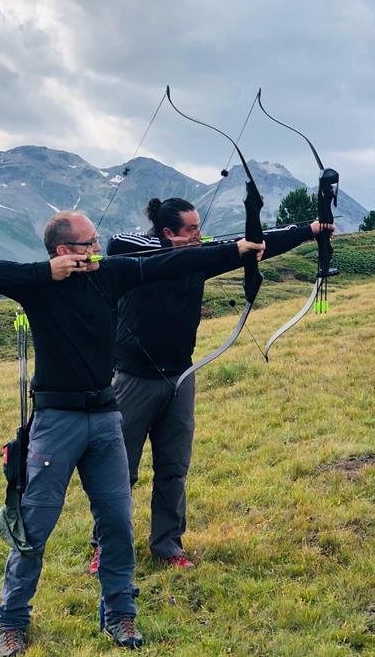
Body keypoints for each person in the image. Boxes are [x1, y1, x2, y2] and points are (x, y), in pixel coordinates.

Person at [0, 210, 264, 656]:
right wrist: (45, 273)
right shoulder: (37, 284)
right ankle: (12, 622)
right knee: (34, 526)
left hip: (106, 416)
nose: (97, 249)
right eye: (88, 244)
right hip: (55, 422)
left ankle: (121, 615)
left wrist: (236, 251)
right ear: (64, 251)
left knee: (116, 523)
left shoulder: (109, 276)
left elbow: (168, 263)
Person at [88, 198, 334, 572]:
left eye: (200, 228)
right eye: (191, 230)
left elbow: (258, 241)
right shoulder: (133, 257)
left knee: (173, 468)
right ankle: (105, 547)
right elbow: (119, 244)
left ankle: (168, 545)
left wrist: (311, 231)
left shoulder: (200, 258)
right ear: (168, 232)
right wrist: (203, 251)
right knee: (121, 470)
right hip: (133, 380)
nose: (200, 236)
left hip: (181, 377)